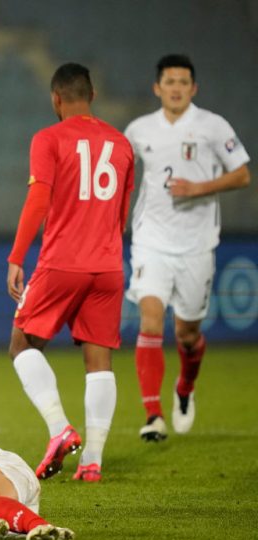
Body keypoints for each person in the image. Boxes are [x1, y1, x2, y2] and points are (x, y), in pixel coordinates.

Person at [6, 63, 134, 482]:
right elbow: (123, 214)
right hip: (109, 265)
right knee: (99, 361)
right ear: (92, 96)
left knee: (21, 343)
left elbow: (38, 202)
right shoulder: (122, 144)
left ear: (56, 99)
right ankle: (92, 460)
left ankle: (60, 429)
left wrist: (17, 256)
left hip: (63, 262)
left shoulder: (49, 138)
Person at [124, 54, 251, 442]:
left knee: (187, 335)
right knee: (149, 319)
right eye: (169, 81)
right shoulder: (139, 130)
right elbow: (123, 176)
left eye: (183, 82)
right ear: (157, 87)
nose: (176, 88)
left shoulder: (212, 126)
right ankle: (153, 415)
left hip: (196, 245)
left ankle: (184, 388)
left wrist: (199, 188)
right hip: (150, 240)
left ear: (193, 88)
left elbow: (243, 174)